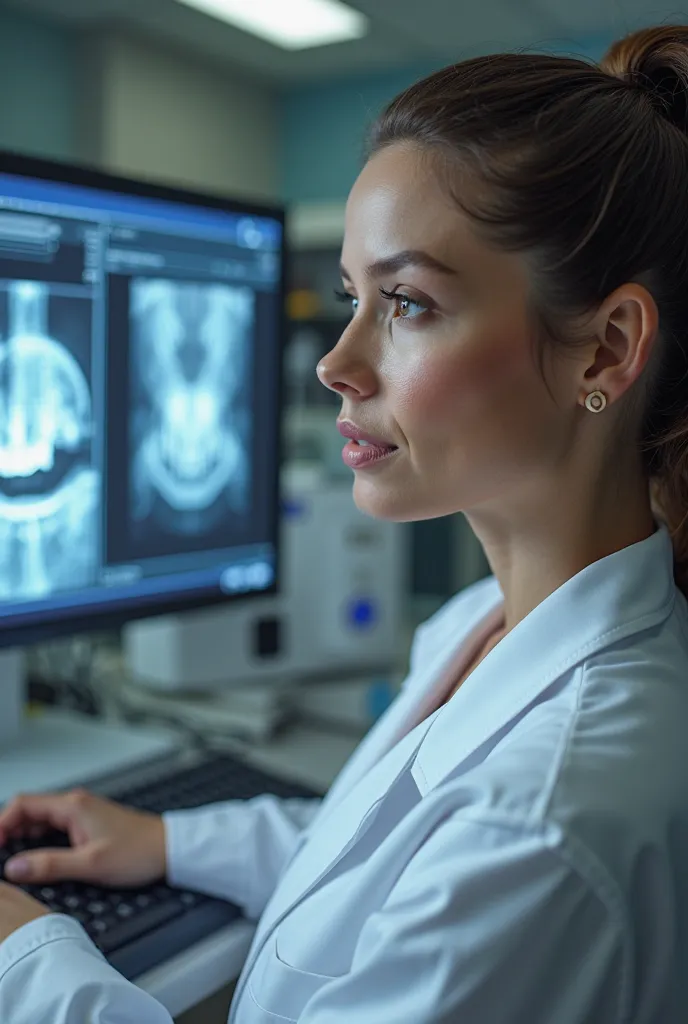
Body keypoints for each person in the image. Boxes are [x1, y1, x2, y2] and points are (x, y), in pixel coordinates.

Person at [1, 23, 688, 1023]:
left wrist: (25, 948)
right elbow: (378, 852)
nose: (337, 361)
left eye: (406, 301)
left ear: (605, 350)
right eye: (351, 297)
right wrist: (172, 841)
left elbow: (467, 857)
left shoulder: (550, 819)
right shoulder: (480, 622)